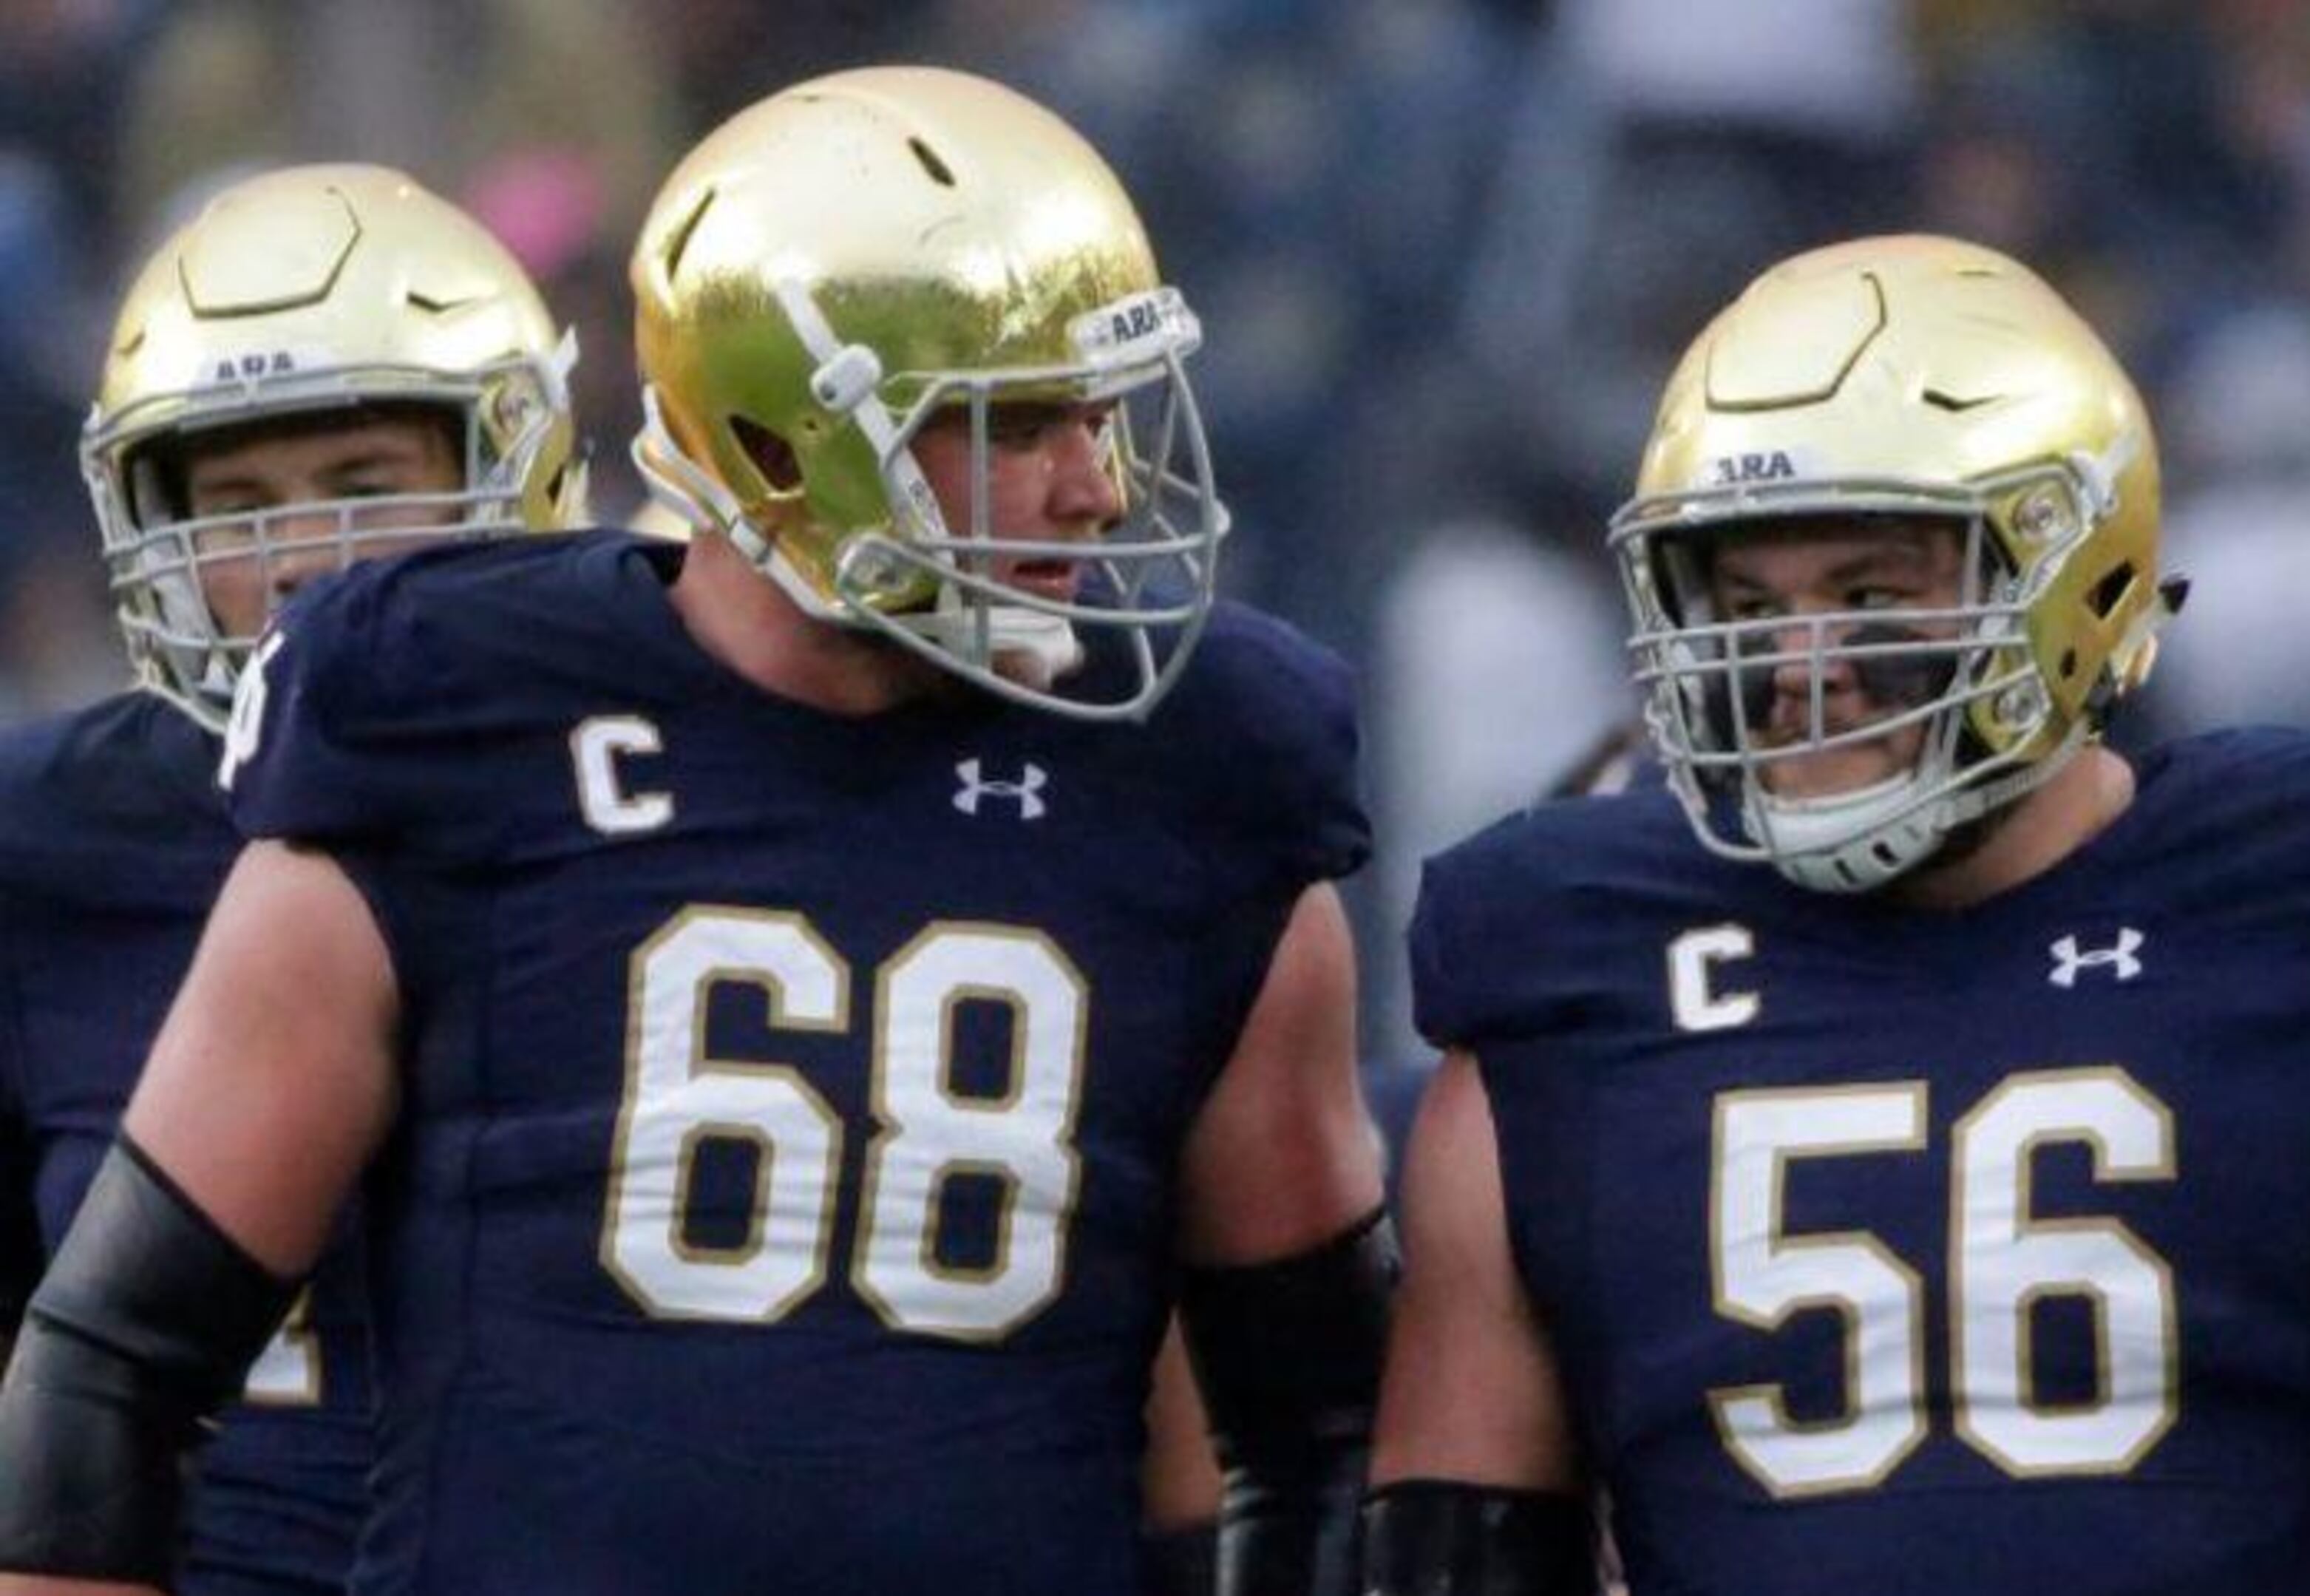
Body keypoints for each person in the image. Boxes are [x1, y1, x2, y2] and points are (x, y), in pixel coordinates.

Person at [0, 66, 1388, 1596]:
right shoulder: (449, 717)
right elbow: (115, 1364)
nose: (1098, 490)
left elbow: (1310, 1438)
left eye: (1100, 413)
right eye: (1018, 422)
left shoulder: (1203, 768)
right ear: (787, 449)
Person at [1361, 234, 2310, 1595]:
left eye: (1873, 589)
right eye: (1746, 599)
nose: (1799, 664)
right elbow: (1455, 1554)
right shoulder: (1569, 961)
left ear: (2075, 575)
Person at [0, 162, 585, 1596]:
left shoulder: (679, 782)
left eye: (359, 489)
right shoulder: (44, 845)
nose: (293, 562)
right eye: (236, 502)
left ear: (513, 464)